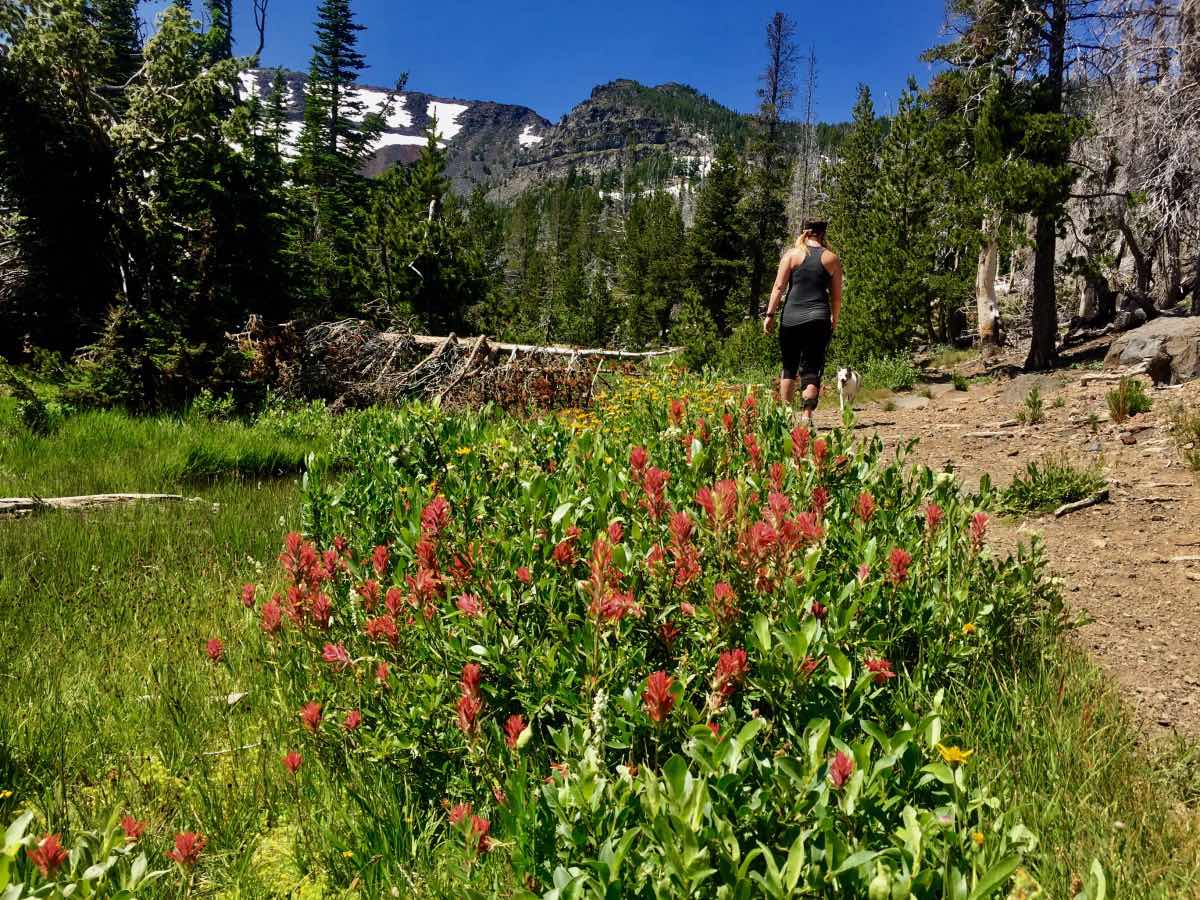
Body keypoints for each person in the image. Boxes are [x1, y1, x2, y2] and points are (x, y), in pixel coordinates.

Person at [761, 220, 843, 427]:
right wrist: (835, 318)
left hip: (791, 318)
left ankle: (786, 416)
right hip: (818, 318)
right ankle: (807, 415)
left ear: (804, 233)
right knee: (812, 367)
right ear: (823, 234)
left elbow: (779, 287)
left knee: (789, 366)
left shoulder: (791, 255)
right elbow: (836, 297)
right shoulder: (831, 258)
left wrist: (770, 315)